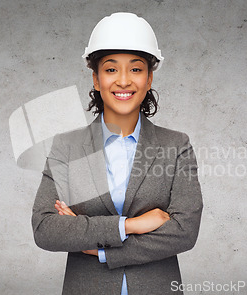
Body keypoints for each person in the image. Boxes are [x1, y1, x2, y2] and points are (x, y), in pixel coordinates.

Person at [32, 12, 203, 294]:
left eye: (135, 69)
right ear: (96, 80)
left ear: (149, 79)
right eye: (111, 69)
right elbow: (45, 229)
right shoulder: (68, 147)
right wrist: (132, 225)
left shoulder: (176, 146)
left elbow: (184, 231)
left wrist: (100, 250)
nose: (123, 81)